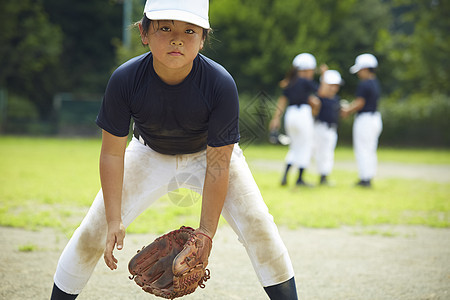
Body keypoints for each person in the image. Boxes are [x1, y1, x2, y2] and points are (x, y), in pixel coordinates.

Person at [50, 0, 298, 299]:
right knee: (93, 231)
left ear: (203, 39)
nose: (176, 38)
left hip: (209, 157)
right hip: (148, 153)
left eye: (190, 30)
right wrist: (114, 220)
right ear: (144, 32)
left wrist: (206, 233)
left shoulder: (220, 84)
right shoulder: (125, 80)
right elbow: (112, 153)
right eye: (164, 27)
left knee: (260, 226)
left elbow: (219, 163)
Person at [269, 53, 321, 187]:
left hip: (290, 114)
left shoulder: (289, 82)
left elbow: (282, 101)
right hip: (303, 113)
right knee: (305, 145)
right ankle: (300, 179)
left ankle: (285, 176)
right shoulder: (305, 81)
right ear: (306, 69)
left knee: (295, 146)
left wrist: (276, 119)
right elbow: (322, 92)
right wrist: (324, 75)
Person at [341, 53, 382, 187]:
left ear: (366, 69)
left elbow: (360, 102)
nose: (359, 73)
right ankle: (368, 177)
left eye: (360, 70)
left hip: (365, 120)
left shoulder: (364, 84)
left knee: (363, 149)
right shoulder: (375, 83)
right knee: (370, 149)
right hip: (375, 118)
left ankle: (365, 179)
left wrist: (347, 110)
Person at [313, 69, 343, 185]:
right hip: (320, 128)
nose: (334, 88)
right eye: (331, 85)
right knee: (316, 152)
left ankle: (323, 177)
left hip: (332, 129)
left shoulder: (336, 99)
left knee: (328, 154)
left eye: (336, 86)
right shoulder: (319, 98)